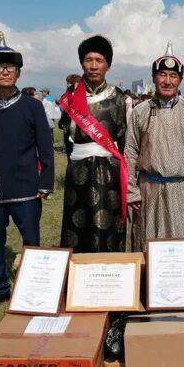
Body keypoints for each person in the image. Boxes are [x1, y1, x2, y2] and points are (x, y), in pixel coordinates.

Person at [0, 32, 54, 309]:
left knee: (32, 241)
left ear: (18, 73)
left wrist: (46, 182)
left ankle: (37, 288)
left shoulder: (32, 106)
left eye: (11, 67)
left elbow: (45, 148)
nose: (5, 71)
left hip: (27, 187)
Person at [124, 42, 184, 251]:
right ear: (154, 78)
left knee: (182, 249)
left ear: (180, 80)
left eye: (173, 76)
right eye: (162, 75)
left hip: (182, 191)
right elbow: (130, 152)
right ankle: (146, 284)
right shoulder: (140, 111)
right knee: (148, 247)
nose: (167, 81)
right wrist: (132, 191)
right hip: (148, 191)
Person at [58, 35, 127, 253]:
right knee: (77, 224)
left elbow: (123, 137)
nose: (94, 65)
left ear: (108, 65)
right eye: (89, 60)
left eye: (99, 60)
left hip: (109, 172)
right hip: (78, 170)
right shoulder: (70, 96)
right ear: (82, 64)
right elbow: (67, 138)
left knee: (107, 225)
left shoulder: (117, 96)